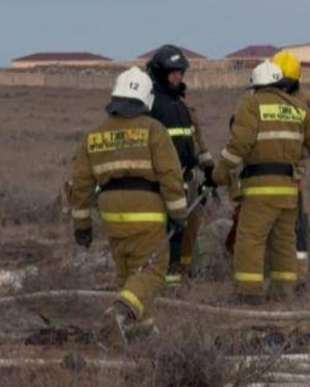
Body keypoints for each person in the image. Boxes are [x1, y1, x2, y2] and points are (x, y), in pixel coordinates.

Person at [70, 66, 187, 342]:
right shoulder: (153, 130)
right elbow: (170, 175)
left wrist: (82, 225)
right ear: (146, 98)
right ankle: (122, 311)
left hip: (110, 213)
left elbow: (81, 184)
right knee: (153, 269)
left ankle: (138, 330)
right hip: (145, 209)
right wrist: (179, 214)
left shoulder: (94, 135)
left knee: (127, 272)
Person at [213, 60, 310, 302]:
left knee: (251, 239)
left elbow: (239, 143)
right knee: (284, 241)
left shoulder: (252, 103)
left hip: (260, 188)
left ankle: (248, 293)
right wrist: (293, 158)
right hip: (289, 189)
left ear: (255, 85)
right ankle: (284, 293)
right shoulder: (298, 108)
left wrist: (220, 172)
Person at [144, 45, 215, 285]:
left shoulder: (181, 105)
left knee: (186, 231)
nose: (177, 76)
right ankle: (165, 281)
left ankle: (182, 275)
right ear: (160, 72)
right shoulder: (151, 104)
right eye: (172, 71)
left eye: (180, 72)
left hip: (186, 180)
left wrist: (209, 170)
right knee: (167, 233)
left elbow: (194, 141)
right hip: (161, 183)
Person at [272, 49, 310, 275]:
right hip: (276, 168)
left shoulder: (304, 103)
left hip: (291, 172)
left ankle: (299, 266)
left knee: (295, 218)